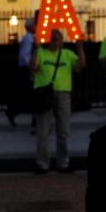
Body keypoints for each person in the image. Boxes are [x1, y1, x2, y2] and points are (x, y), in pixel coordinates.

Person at [30, 29, 86, 173]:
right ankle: (43, 163)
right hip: (44, 94)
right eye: (53, 40)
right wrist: (36, 49)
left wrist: (80, 48)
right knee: (43, 131)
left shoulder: (67, 54)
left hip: (63, 93)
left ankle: (63, 163)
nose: (55, 43)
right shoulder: (42, 53)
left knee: (63, 131)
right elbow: (32, 68)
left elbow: (81, 65)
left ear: (62, 41)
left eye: (58, 40)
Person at [6, 17, 36, 127]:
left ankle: (14, 112)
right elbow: (24, 56)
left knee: (27, 95)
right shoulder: (29, 39)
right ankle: (14, 112)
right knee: (29, 95)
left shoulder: (29, 38)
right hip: (27, 70)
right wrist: (31, 66)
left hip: (26, 70)